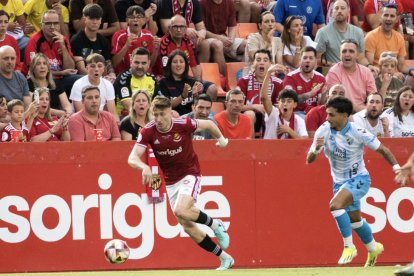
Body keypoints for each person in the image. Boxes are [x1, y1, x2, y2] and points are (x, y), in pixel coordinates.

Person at [127, 95, 234, 271]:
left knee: (181, 210)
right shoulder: (148, 131)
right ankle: (225, 258)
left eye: (162, 114)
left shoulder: (182, 124)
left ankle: (216, 225)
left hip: (190, 173)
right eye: (156, 114)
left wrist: (222, 140)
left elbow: (207, 124)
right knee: (187, 225)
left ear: (170, 112)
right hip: (171, 182)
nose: (159, 119)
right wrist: (143, 166)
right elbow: (132, 158)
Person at [306, 96, 402, 267]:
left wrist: (397, 168)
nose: (327, 118)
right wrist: (316, 149)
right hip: (338, 182)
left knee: (335, 206)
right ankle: (374, 248)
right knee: (355, 221)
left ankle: (349, 247)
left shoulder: (357, 131)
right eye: (327, 114)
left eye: (331, 115)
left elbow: (383, 150)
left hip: (359, 179)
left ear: (344, 115)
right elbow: (309, 159)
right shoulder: (323, 130)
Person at [24, 10, 79, 96]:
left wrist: (63, 47)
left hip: (62, 79)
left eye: (56, 23)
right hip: (43, 80)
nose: (52, 26)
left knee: (83, 81)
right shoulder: (34, 41)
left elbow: (70, 67)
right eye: (48, 23)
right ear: (42, 25)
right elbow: (34, 71)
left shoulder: (63, 39)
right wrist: (61, 73)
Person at [237, 49, 284, 136]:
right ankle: (250, 145)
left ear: (270, 64)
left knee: (274, 115)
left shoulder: (278, 83)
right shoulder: (243, 81)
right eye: (258, 60)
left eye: (265, 60)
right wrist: (254, 106)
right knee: (249, 114)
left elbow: (280, 107)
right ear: (253, 63)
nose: (261, 63)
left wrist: (268, 108)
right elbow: (237, 107)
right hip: (250, 116)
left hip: (270, 116)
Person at [326, 39, 376, 113]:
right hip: (341, 112)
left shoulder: (366, 72)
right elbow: (336, 101)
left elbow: (373, 97)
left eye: (351, 51)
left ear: (357, 55)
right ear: (340, 55)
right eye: (344, 51)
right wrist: (364, 111)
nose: (347, 54)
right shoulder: (333, 72)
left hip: (363, 113)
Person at [315, 0, 369, 67]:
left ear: (348, 11)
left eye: (343, 8)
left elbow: (361, 58)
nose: (339, 11)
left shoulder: (358, 32)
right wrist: (332, 64)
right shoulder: (322, 32)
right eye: (336, 8)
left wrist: (369, 66)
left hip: (353, 72)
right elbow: (317, 58)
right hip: (332, 72)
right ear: (332, 12)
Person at [261, 64, 308, 139]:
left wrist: (289, 131)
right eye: (282, 101)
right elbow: (264, 98)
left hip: (289, 150)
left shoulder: (299, 120)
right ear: (278, 103)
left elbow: (304, 140)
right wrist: (268, 73)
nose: (285, 104)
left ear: (295, 104)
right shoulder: (273, 113)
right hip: (270, 149)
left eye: (289, 101)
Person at [200, 0, 246, 76]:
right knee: (218, 44)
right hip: (207, 38)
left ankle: (244, 76)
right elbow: (201, 30)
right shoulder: (202, 3)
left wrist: (231, 40)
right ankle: (225, 78)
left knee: (246, 44)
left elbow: (232, 26)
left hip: (223, 37)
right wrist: (219, 38)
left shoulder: (229, 2)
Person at [70, 4, 115, 80]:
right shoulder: (76, 40)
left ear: (101, 20)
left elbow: (107, 63)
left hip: (100, 77)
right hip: (82, 78)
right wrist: (99, 79)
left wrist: (112, 75)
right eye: (91, 18)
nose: (95, 22)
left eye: (97, 19)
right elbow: (81, 69)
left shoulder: (104, 41)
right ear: (85, 19)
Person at [70, 53, 119, 123]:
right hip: (82, 121)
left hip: (102, 120)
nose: (96, 69)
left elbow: (113, 112)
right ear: (87, 68)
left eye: (99, 66)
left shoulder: (108, 85)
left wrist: (117, 125)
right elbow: (80, 112)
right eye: (92, 66)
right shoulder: (78, 84)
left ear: (103, 69)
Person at [156, 49, 204, 116]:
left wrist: (195, 95)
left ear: (185, 65)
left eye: (181, 62)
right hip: (172, 118)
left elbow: (198, 107)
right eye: (175, 62)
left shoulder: (192, 82)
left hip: (189, 118)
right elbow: (165, 107)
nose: (178, 64)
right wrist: (182, 96)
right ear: (170, 64)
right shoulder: (163, 83)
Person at [111, 5, 156, 75]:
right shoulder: (119, 35)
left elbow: (151, 64)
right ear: (127, 20)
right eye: (132, 17)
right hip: (123, 75)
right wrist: (126, 46)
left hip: (143, 75)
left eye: (139, 17)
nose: (135, 20)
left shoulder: (148, 35)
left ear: (144, 20)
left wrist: (156, 49)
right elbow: (114, 63)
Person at [281, 46, 325, 116]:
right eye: (305, 58)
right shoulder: (290, 77)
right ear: (299, 61)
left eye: (311, 58)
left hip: (315, 114)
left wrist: (324, 96)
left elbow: (321, 104)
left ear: (316, 62)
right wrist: (309, 94)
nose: (307, 60)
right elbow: (289, 101)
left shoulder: (321, 78)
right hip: (296, 113)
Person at [113, 47, 157, 117]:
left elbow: (159, 102)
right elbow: (128, 105)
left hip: (148, 117)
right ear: (131, 61)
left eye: (143, 63)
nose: (140, 66)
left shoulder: (152, 78)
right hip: (126, 119)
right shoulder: (123, 78)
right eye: (137, 62)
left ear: (149, 63)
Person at [27, 53, 72, 117]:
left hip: (57, 119)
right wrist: (58, 113)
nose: (42, 66)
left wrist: (68, 113)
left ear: (48, 69)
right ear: (33, 69)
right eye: (38, 64)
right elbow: (33, 106)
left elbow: (67, 104)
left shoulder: (56, 83)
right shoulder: (28, 84)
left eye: (45, 64)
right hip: (38, 118)